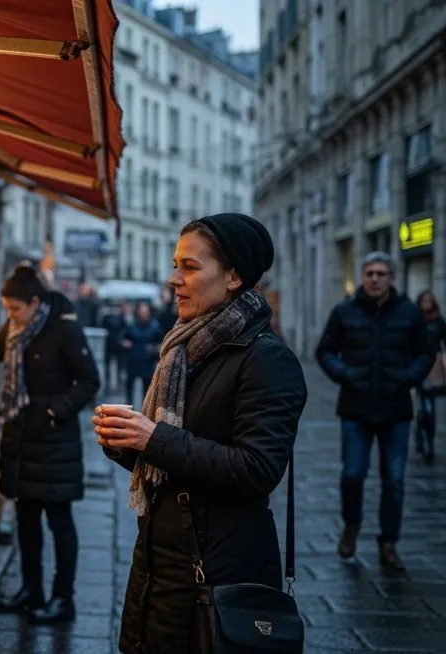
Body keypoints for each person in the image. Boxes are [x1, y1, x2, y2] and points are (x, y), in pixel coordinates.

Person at [94, 213, 307, 653]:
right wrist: (127, 444)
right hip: (159, 566)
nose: (174, 279)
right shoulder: (183, 347)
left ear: (233, 276)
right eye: (176, 264)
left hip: (217, 573)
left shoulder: (266, 359)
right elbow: (173, 460)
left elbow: (258, 469)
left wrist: (153, 438)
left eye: (189, 267)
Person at [0, 266, 100, 625]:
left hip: (54, 441)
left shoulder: (64, 329)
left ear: (35, 302)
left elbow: (89, 381)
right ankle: (31, 590)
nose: (10, 316)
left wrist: (55, 409)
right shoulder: (15, 328)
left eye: (15, 309)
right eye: (7, 309)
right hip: (20, 439)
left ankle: (62, 598)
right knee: (26, 520)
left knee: (59, 521)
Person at [316, 251, 434, 571]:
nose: (375, 279)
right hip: (355, 407)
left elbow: (427, 352)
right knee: (352, 474)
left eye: (381, 273)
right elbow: (324, 351)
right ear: (363, 277)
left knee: (393, 480)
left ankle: (388, 543)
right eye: (369, 273)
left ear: (391, 278)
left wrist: (408, 378)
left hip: (396, 410)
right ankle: (351, 524)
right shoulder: (344, 310)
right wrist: (345, 374)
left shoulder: (409, 312)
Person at [415, 290, 446, 463]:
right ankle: (421, 433)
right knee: (425, 404)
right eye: (424, 300)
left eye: (429, 300)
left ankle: (429, 441)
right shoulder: (415, 320)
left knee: (430, 407)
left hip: (435, 367)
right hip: (419, 366)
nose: (427, 303)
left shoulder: (439, 322)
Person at [121, 301, 163, 407]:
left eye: (145, 311)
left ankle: (145, 411)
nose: (143, 313)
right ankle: (129, 409)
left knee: (147, 390)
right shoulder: (131, 326)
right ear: (138, 312)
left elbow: (161, 343)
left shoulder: (154, 327)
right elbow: (123, 339)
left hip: (147, 362)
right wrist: (126, 344)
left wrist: (153, 348)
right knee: (129, 387)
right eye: (141, 311)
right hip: (133, 360)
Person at [99, 301, 128, 395]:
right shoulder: (118, 317)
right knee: (113, 365)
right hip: (112, 344)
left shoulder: (109, 317)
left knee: (116, 365)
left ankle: (114, 385)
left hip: (113, 344)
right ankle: (111, 385)